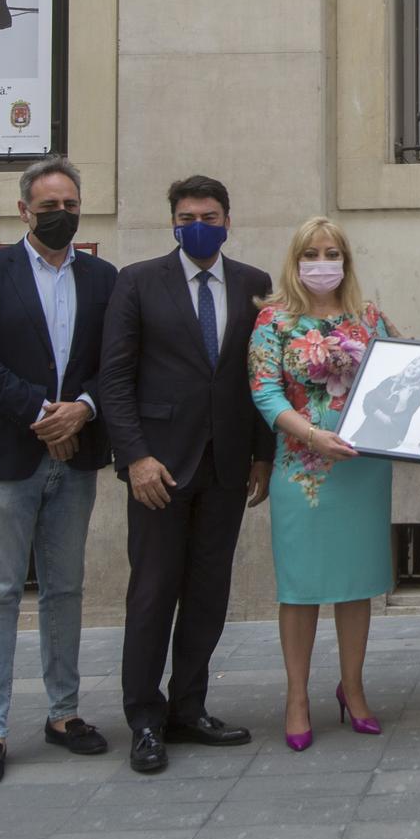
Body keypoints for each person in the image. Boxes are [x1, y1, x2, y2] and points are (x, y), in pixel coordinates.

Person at [0, 155, 116, 789]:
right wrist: (41, 412)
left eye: (71, 206)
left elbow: (116, 361)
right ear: (24, 211)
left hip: (74, 461)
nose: (61, 216)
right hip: (5, 457)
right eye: (49, 208)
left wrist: (84, 409)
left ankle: (64, 714)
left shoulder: (103, 278)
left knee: (66, 590)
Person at [97, 175, 272, 775]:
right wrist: (135, 457)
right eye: (189, 215)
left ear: (228, 219)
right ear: (173, 222)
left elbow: (259, 377)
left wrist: (261, 454)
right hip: (159, 470)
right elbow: (114, 380)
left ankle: (189, 707)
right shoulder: (138, 281)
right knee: (152, 594)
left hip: (226, 466)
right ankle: (144, 718)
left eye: (212, 214)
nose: (200, 223)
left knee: (207, 594)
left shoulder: (254, 284)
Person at [247, 217, 398, 750]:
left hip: (362, 468)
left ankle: (353, 689)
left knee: (356, 585)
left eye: (331, 252)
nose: (322, 262)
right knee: (302, 586)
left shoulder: (369, 317)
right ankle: (296, 696)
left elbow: (400, 377)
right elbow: (264, 394)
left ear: (346, 260)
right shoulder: (273, 320)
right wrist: (312, 435)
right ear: (295, 260)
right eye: (311, 253)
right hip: (301, 468)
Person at [349, 356, 420, 452]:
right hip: (367, 431)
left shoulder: (417, 393)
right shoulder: (391, 380)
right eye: (413, 363)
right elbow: (368, 400)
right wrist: (382, 415)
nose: (414, 367)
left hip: (384, 438)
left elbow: (397, 421)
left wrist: (403, 401)